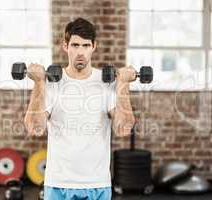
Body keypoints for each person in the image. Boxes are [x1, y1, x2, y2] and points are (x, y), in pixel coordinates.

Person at [24, 17, 136, 200]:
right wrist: (38, 83)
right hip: (58, 183)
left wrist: (123, 83)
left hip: (97, 183)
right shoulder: (52, 84)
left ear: (94, 46)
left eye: (85, 45)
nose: (80, 52)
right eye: (75, 45)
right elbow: (34, 128)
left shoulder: (107, 84)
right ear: (65, 46)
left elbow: (123, 129)